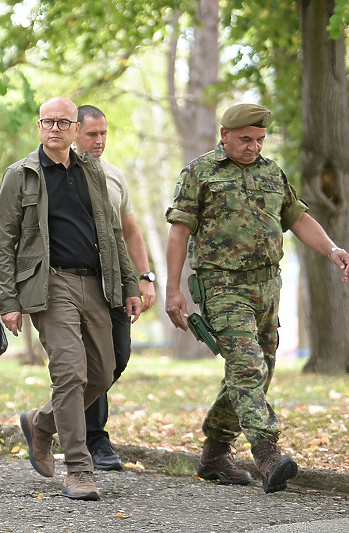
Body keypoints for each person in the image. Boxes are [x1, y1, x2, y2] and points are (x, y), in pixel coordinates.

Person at [165, 103, 349, 494]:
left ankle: (214, 453)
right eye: (246, 139)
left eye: (260, 140)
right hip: (222, 285)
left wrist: (332, 250)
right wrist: (173, 289)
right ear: (225, 134)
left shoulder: (271, 172)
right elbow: (179, 231)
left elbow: (297, 218)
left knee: (256, 369)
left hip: (267, 286)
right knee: (247, 366)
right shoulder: (201, 172)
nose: (254, 147)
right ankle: (267, 453)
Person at [0, 96, 141, 501]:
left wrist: (130, 285)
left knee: (103, 372)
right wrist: (8, 300)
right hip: (50, 284)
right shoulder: (20, 175)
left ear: (76, 130)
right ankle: (77, 467)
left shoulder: (92, 171)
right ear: (39, 127)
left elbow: (113, 232)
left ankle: (42, 423)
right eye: (48, 122)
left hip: (96, 283)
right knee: (70, 372)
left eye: (63, 123)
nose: (55, 129)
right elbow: (3, 242)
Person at [74, 105, 156, 471]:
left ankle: (59, 416)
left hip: (116, 282)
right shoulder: (57, 176)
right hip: (76, 283)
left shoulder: (114, 176)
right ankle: (94, 438)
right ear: (74, 132)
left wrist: (144, 277)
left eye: (104, 133)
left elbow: (131, 231)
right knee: (91, 359)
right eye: (92, 134)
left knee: (116, 359)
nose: (100, 140)